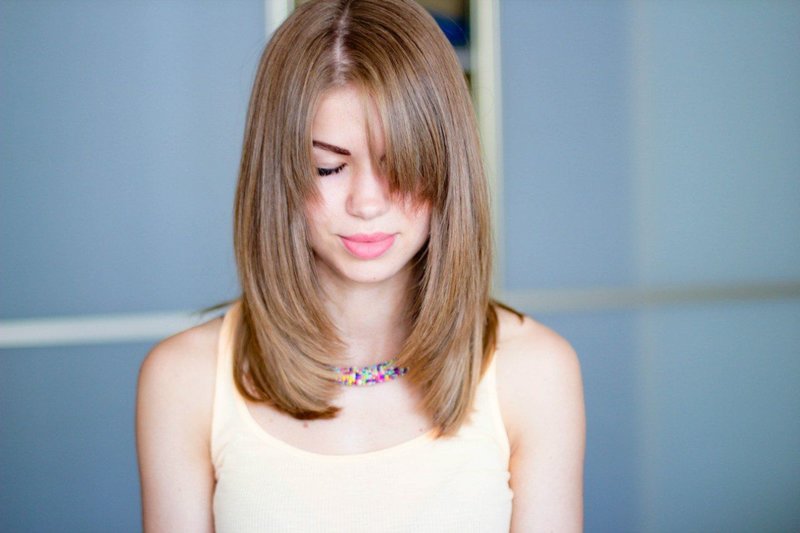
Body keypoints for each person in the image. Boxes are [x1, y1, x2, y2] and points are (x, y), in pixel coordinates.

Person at [135, 0, 585, 531]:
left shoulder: (533, 370)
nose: (367, 203)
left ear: (446, 166)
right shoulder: (186, 379)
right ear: (277, 176)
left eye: (399, 163)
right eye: (328, 168)